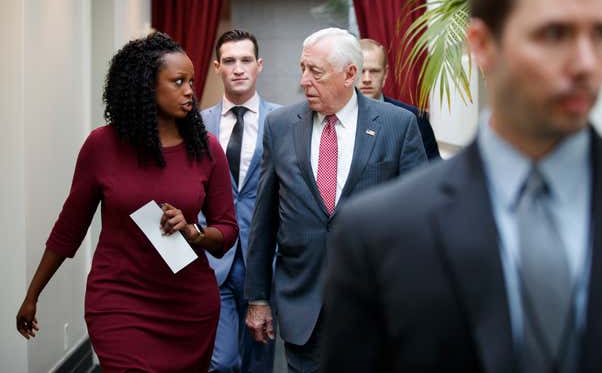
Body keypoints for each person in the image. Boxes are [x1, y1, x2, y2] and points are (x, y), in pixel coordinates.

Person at [322, 0, 602, 373]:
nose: (587, 62)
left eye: (600, 34)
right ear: (482, 45)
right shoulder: (379, 234)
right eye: (554, 34)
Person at [16, 32, 239, 372]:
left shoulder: (207, 149)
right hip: (119, 301)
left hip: (188, 307)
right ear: (146, 87)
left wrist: (194, 232)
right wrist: (33, 295)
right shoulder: (101, 147)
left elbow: (227, 232)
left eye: (191, 81)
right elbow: (69, 228)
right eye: (178, 82)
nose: (190, 91)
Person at [244, 27, 427, 372]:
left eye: (315, 71)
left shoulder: (397, 125)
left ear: (350, 74)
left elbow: (420, 220)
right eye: (302, 68)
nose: (304, 81)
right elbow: (264, 219)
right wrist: (257, 298)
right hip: (303, 307)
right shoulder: (280, 125)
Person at [201, 30, 279, 373]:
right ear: (217, 67)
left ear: (259, 66)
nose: (238, 69)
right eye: (229, 61)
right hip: (212, 258)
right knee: (222, 363)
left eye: (246, 60)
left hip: (264, 261)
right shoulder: (197, 124)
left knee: (258, 363)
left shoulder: (283, 121)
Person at [358, 38, 441, 160]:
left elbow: (433, 171)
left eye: (374, 71)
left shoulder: (415, 118)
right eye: (361, 71)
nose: (367, 79)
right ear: (350, 73)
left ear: (385, 74)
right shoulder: (335, 118)